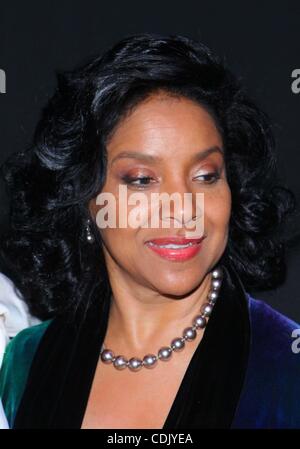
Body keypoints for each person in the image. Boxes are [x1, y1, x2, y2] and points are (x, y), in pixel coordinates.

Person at [0, 33, 299, 429]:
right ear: (86, 198)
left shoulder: (284, 366)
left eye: (206, 175)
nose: (184, 209)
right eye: (142, 180)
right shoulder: (24, 364)